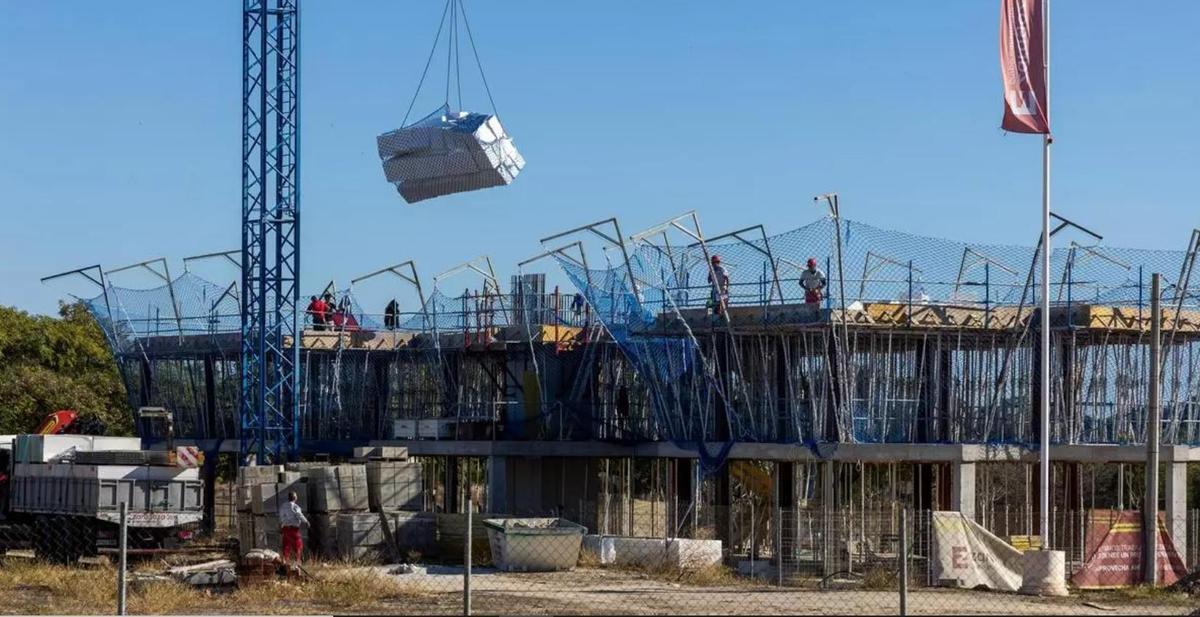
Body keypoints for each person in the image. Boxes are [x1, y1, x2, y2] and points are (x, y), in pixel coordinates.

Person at [278, 491, 309, 563]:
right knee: (298, 544)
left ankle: (285, 561)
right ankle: (297, 561)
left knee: (286, 545)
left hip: (285, 528)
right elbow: (299, 515)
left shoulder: (283, 506)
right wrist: (306, 521)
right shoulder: (295, 507)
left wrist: (280, 526)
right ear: (295, 497)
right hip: (293, 529)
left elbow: (281, 517)